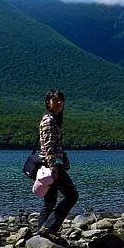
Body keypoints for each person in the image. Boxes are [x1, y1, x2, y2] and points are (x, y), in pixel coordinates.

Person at [36, 90, 78, 240]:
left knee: (49, 201)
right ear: (48, 102)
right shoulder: (48, 120)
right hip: (51, 165)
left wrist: (65, 157)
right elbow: (47, 146)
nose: (59, 103)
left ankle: (41, 235)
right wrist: (53, 167)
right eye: (55, 100)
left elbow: (55, 144)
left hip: (51, 164)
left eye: (61, 100)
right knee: (72, 195)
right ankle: (48, 227)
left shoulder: (54, 119)